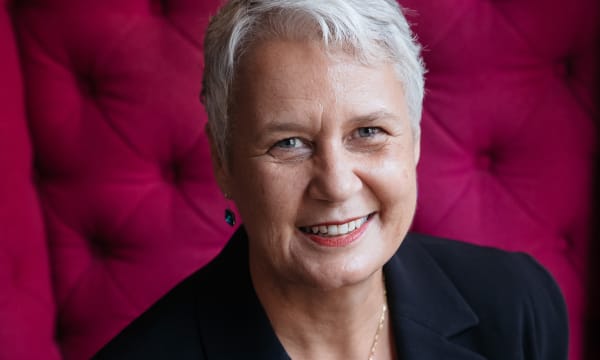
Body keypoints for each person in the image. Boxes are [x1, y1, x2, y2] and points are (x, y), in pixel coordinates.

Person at [94, 0, 568, 359]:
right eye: (289, 143)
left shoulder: (517, 304)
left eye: (368, 132)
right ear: (224, 162)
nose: (337, 185)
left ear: (415, 142)